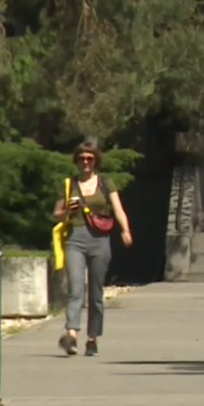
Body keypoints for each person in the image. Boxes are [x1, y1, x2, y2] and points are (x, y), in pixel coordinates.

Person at [52, 141, 133, 357]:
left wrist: (125, 230)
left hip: (100, 240)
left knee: (96, 293)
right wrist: (68, 211)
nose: (86, 162)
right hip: (75, 239)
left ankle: (92, 338)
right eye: (82, 159)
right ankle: (71, 336)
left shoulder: (106, 184)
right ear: (77, 161)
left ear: (95, 161)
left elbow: (118, 209)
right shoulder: (69, 185)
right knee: (76, 289)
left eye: (90, 158)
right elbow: (56, 215)